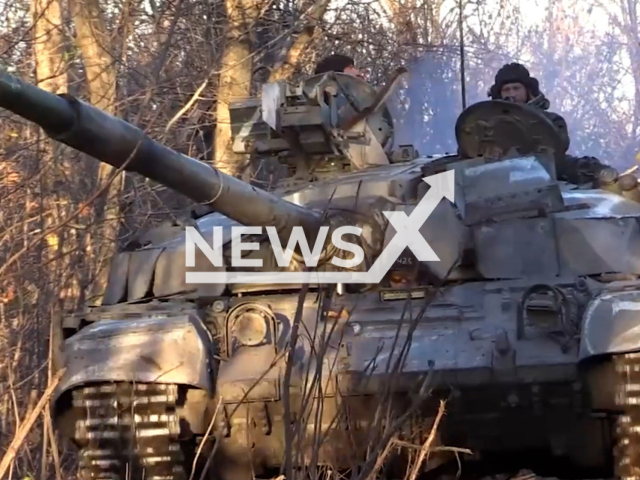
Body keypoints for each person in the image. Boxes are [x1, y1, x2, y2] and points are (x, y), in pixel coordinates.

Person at [487, 62, 615, 186]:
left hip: (544, 168)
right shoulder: (486, 123)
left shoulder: (551, 120)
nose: (512, 94)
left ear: (528, 91)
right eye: (506, 90)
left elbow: (560, 145)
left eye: (516, 88)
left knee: (585, 168)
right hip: (500, 173)